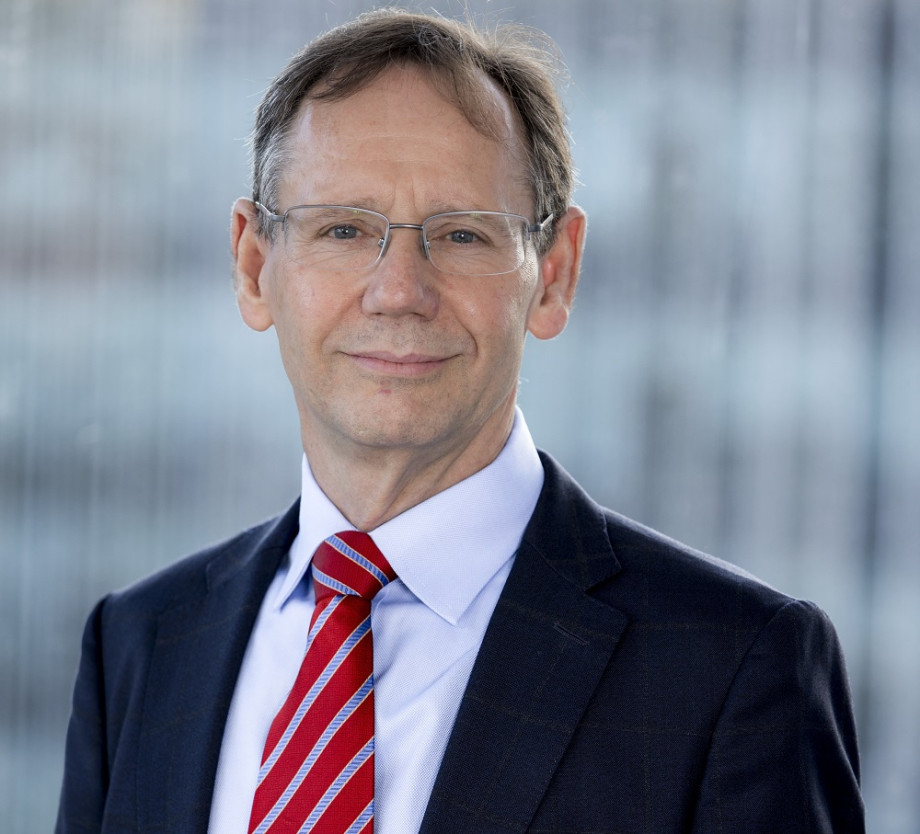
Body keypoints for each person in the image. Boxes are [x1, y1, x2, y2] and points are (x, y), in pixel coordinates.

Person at [56, 9, 864, 834]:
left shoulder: (732, 667)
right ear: (254, 265)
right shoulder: (142, 644)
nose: (400, 288)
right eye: (343, 228)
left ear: (553, 275)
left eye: (464, 234)